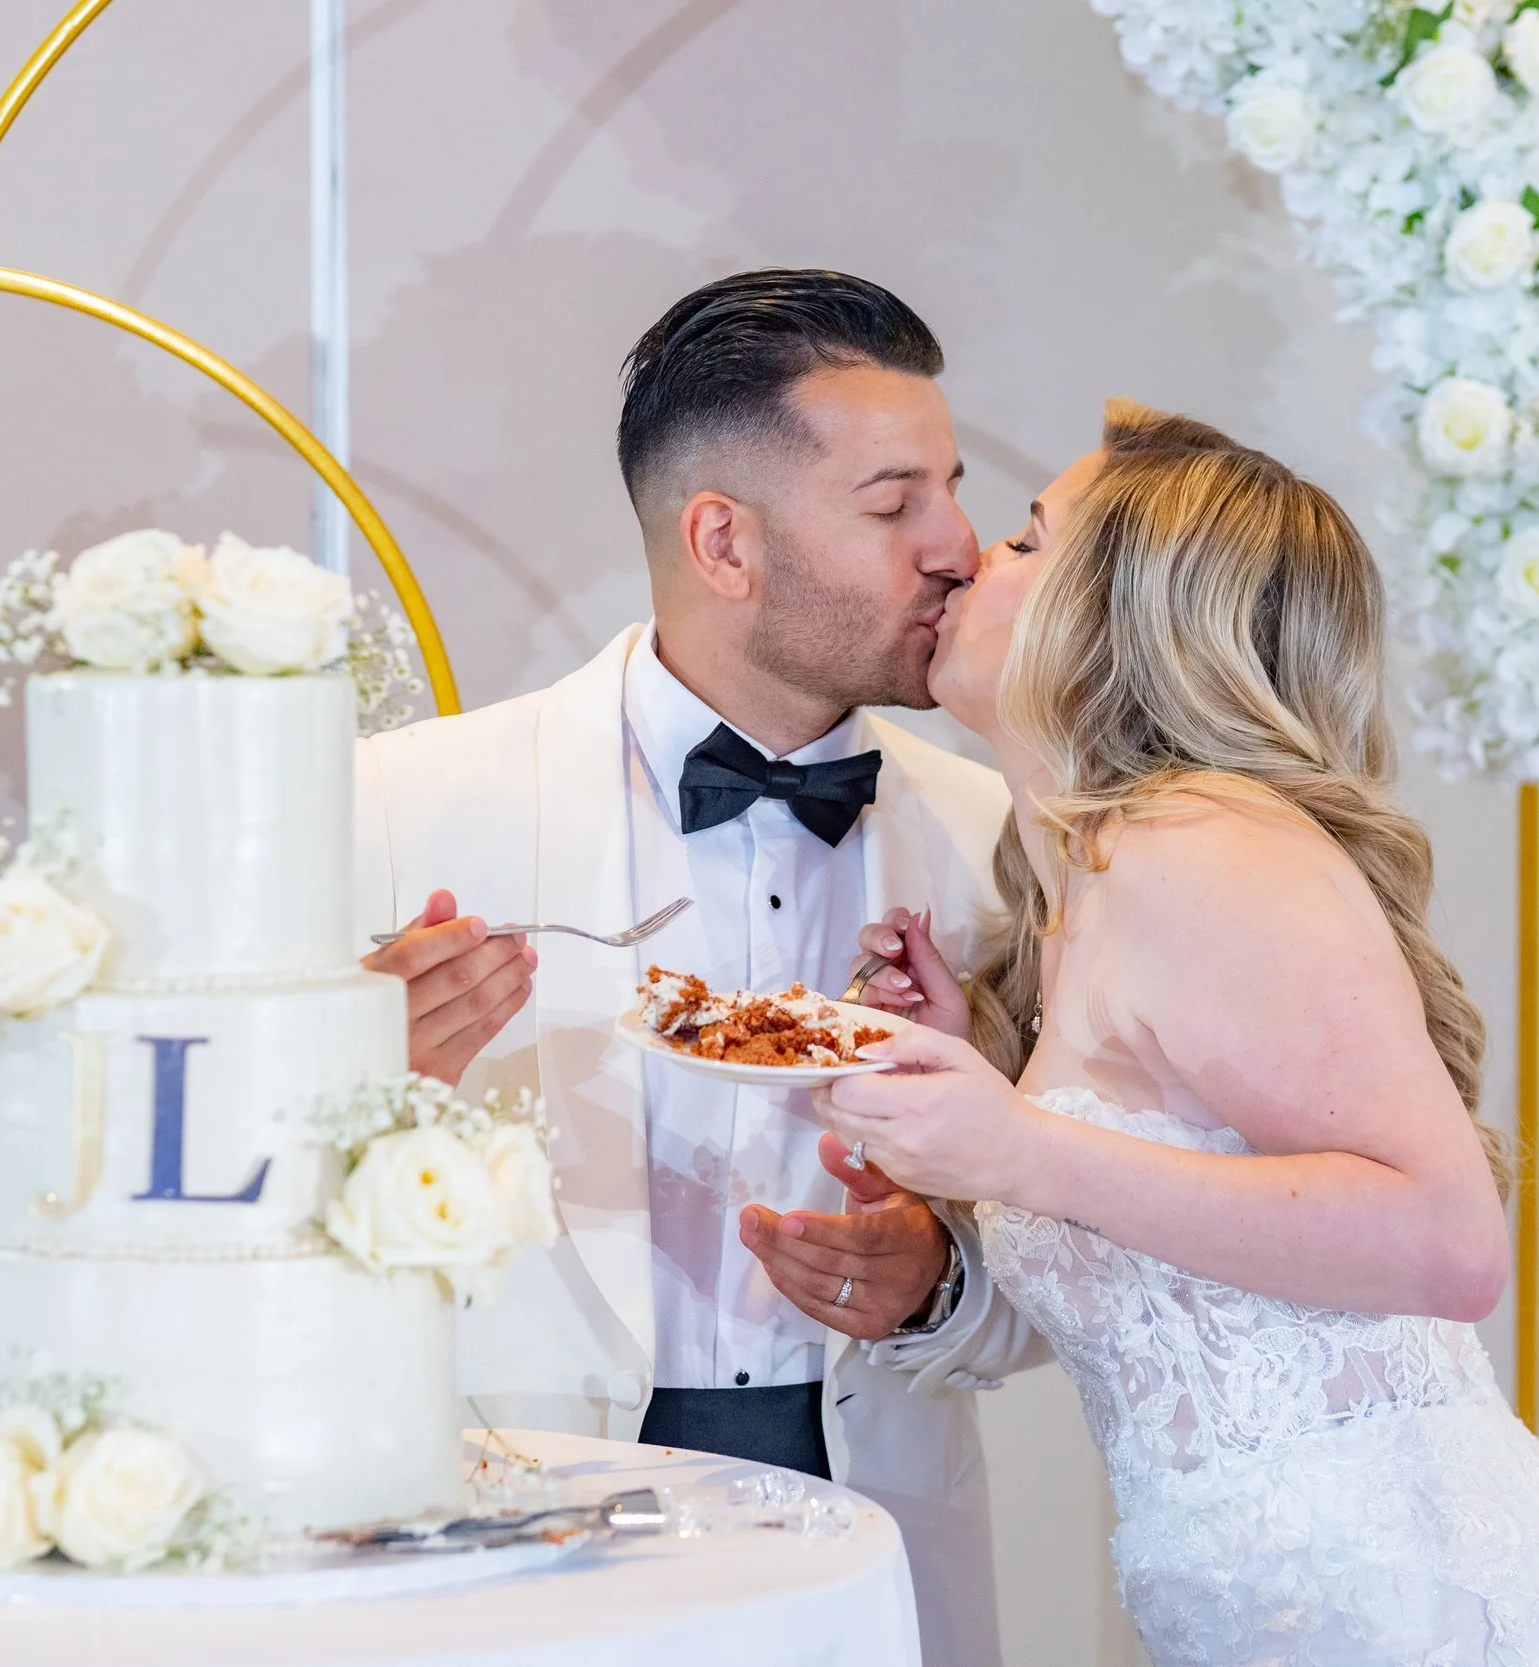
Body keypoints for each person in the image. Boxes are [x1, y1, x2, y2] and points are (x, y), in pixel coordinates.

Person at [825, 402, 1539, 1665]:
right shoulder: (1085, 880)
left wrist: (1017, 1148)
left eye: (1023, 540)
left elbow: (1446, 1244)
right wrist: (984, 1072)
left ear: (1120, 614)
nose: (964, 560)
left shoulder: (1204, 847)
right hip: (1258, 1611)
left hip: (1404, 1604)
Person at [354, 270, 1048, 1667]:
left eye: (954, 489)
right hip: (512, 1548)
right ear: (723, 542)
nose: (959, 546)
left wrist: (939, 1282)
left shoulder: (995, 838)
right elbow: (229, 1224)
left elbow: (1081, 1249)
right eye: (892, 499)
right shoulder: (395, 809)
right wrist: (360, 1077)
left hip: (878, 1539)